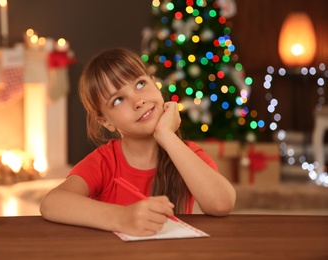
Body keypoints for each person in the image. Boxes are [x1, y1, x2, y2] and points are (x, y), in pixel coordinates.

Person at [40, 48, 236, 236]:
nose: (138, 101)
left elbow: (221, 204)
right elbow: (52, 203)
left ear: (154, 84)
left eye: (140, 84)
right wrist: (122, 217)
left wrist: (167, 136)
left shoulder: (185, 155)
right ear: (106, 122)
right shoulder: (104, 162)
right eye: (118, 100)